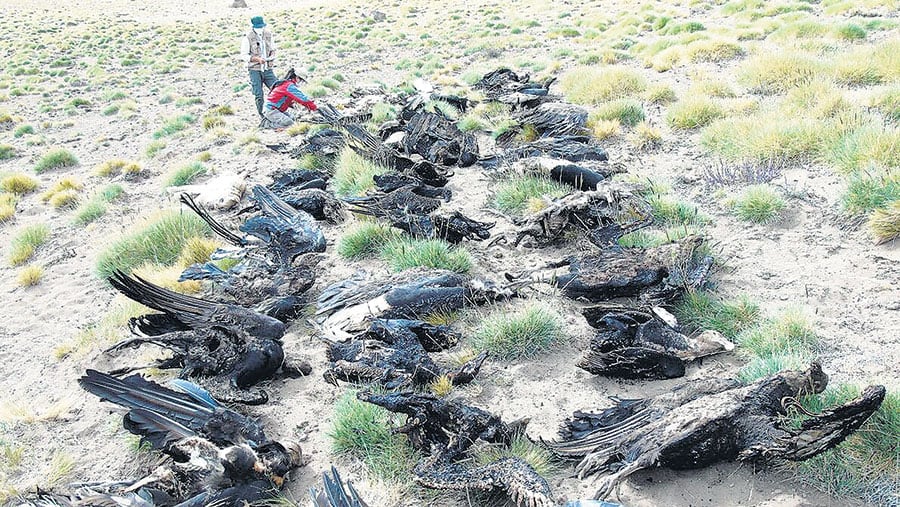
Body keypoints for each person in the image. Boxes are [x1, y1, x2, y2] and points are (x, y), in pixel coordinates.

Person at [240, 15, 277, 118]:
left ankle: (277, 111)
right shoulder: (247, 38)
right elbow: (244, 55)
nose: (260, 29)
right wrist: (257, 59)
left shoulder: (269, 34)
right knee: (259, 95)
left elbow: (273, 48)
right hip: (254, 70)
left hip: (268, 69)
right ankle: (262, 116)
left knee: (277, 89)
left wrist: (272, 56)